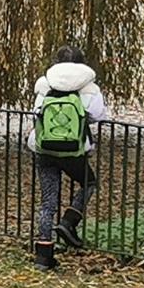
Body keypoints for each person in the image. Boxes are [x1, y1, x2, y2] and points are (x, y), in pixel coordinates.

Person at [29, 46, 109, 270]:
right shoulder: (90, 88)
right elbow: (97, 116)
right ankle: (69, 221)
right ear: (82, 64)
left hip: (44, 149)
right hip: (74, 150)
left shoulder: (45, 84)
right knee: (89, 182)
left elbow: (36, 111)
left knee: (48, 201)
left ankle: (43, 257)